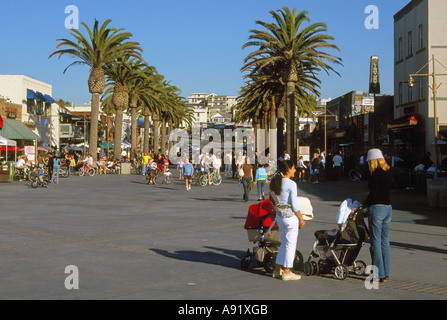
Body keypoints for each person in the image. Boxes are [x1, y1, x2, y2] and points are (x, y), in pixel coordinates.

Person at [270, 160, 306, 281]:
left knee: (283, 244)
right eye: (294, 168)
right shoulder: (291, 184)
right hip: (290, 217)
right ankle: (287, 272)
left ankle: (277, 270)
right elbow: (295, 205)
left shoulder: (275, 182)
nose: (295, 170)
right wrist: (301, 219)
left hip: (280, 217)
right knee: (290, 245)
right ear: (288, 169)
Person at [362, 148, 393, 283]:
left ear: (372, 161)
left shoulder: (375, 174)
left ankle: (378, 273)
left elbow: (373, 194)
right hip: (388, 208)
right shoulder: (387, 172)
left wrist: (364, 204)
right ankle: (386, 272)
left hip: (377, 208)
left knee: (375, 242)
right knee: (385, 240)